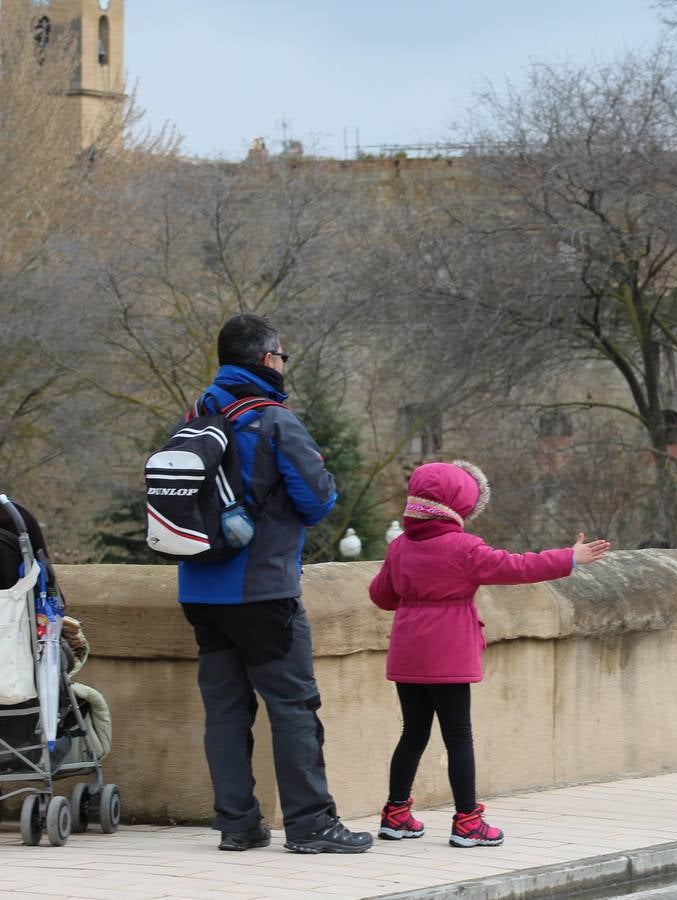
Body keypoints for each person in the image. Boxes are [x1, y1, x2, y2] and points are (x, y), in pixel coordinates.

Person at [177, 314, 372, 854]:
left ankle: (237, 826)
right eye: (281, 356)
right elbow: (318, 501)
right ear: (267, 360)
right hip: (261, 588)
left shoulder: (194, 414)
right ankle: (311, 824)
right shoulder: (274, 421)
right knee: (292, 705)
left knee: (224, 709)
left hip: (198, 587)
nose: (283, 364)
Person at [369, 461, 610, 847]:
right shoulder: (465, 548)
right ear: (459, 504)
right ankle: (467, 822)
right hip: (448, 654)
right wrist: (569, 557)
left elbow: (382, 596)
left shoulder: (399, 546)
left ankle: (395, 815)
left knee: (412, 733)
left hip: (408, 652)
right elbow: (517, 567)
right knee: (459, 737)